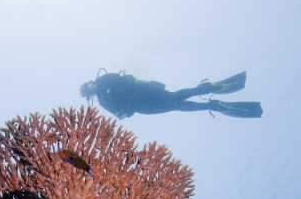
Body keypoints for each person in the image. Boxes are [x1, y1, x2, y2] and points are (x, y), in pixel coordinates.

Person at [80, 70, 262, 119]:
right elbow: (129, 79)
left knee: (175, 103)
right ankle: (207, 90)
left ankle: (212, 103)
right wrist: (151, 84)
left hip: (144, 103)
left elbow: (123, 114)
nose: (91, 86)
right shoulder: (105, 85)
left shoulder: (103, 99)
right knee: (175, 101)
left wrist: (148, 85)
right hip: (145, 94)